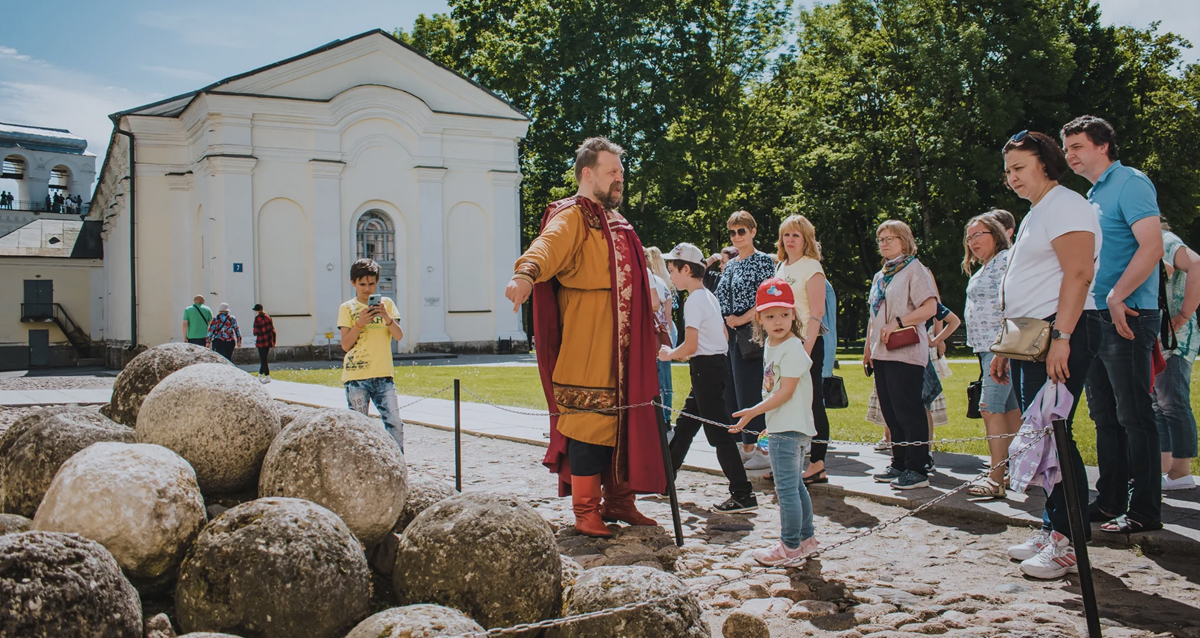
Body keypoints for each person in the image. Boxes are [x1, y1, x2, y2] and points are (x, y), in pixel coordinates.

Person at [505, 137, 663, 538]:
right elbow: (547, 245)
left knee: (628, 420)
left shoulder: (618, 222)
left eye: (621, 173)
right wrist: (525, 273)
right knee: (588, 424)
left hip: (627, 345)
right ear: (587, 173)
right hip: (588, 339)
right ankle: (586, 509)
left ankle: (620, 501)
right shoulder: (572, 215)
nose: (619, 180)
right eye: (612, 173)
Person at [991, 129, 1099, 580]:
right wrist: (1005, 345)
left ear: (1045, 162)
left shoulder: (1067, 204)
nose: (1012, 178)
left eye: (1020, 168)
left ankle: (1070, 539)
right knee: (1041, 434)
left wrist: (1064, 337)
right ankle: (1052, 526)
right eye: (1008, 172)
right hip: (1028, 337)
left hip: (1059, 332)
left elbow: (1078, 272)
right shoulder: (1036, 211)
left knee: (1055, 433)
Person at [1063, 115, 1165, 535]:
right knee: (1105, 417)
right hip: (1094, 318)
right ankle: (1108, 502)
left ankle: (1144, 510)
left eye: (1077, 147)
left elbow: (1152, 246)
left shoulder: (1131, 182)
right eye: (1066, 149)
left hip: (1127, 315)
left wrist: (1117, 295)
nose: (1068, 155)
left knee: (1134, 416)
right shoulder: (1092, 194)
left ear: (1103, 146)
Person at [663, 243, 757, 513]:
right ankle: (665, 480)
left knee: (718, 434)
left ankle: (742, 492)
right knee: (685, 426)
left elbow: (690, 346)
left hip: (705, 367)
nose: (671, 276)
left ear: (686, 269)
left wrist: (668, 354)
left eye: (672, 270)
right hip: (714, 366)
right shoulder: (709, 296)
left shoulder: (694, 300)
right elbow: (724, 337)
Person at [732, 277, 819, 564]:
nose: (778, 321)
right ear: (760, 318)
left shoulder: (792, 347)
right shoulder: (772, 344)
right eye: (770, 316)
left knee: (787, 489)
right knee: (795, 485)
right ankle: (806, 539)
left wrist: (753, 412)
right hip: (784, 426)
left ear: (794, 314)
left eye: (784, 314)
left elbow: (786, 391)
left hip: (791, 430)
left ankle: (789, 545)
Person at [865, 220, 938, 490]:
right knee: (890, 411)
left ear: (904, 241)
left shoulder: (914, 269)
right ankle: (899, 462)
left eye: (890, 238)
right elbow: (874, 317)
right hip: (882, 351)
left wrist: (899, 321)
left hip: (905, 350)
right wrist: (868, 350)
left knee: (907, 408)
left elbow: (930, 307)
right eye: (881, 238)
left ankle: (917, 467)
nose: (884, 243)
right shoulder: (881, 275)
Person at [962, 212, 1021, 498]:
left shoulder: (1006, 262)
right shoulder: (985, 267)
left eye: (979, 235)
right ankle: (1015, 471)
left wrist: (1003, 347)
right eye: (969, 237)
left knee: (990, 407)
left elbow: (1013, 305)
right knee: (1011, 411)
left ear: (996, 234)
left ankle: (996, 477)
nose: (973, 242)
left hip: (1000, 348)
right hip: (986, 348)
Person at [716, 211, 777, 470]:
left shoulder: (763, 261)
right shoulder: (731, 264)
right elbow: (719, 297)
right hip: (731, 334)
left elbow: (767, 297)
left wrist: (742, 319)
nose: (737, 236)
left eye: (742, 231)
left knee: (755, 390)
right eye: (733, 232)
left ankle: (764, 449)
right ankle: (746, 446)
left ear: (753, 231)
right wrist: (725, 324)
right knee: (734, 391)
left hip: (754, 331)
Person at [773, 214, 831, 485]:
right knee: (783, 402)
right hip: (782, 344)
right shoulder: (780, 268)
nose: (790, 240)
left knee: (811, 401)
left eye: (796, 235)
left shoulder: (812, 267)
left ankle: (817, 463)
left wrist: (805, 350)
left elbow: (817, 312)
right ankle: (786, 461)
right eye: (786, 234)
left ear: (806, 239)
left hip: (806, 344)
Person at [339, 258, 406, 450]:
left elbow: (399, 336)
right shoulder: (347, 308)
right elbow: (345, 345)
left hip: (384, 375)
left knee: (394, 423)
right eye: (362, 284)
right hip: (357, 377)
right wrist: (359, 323)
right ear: (353, 283)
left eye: (371, 283)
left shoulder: (387, 304)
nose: (367, 288)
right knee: (358, 428)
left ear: (377, 282)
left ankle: (397, 464)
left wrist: (386, 317)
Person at [1156, 225, 1200, 491]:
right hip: (1158, 340)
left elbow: (1196, 264)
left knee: (1172, 401)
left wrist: (1184, 314)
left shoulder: (1165, 240)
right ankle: (1165, 469)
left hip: (1176, 339)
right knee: (1157, 404)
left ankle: (1181, 471)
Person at [646, 246, 676, 426]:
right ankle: (664, 416)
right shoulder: (663, 281)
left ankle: (662, 417)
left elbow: (657, 306)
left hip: (655, 333)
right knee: (664, 377)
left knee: (660, 378)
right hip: (664, 331)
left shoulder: (651, 280)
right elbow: (669, 313)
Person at [252, 304, 276, 384]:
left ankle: (267, 376)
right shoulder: (268, 317)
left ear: (257, 310)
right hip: (268, 340)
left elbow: (255, 332)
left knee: (263, 359)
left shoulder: (257, 319)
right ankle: (260, 375)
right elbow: (272, 329)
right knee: (264, 358)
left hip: (261, 341)